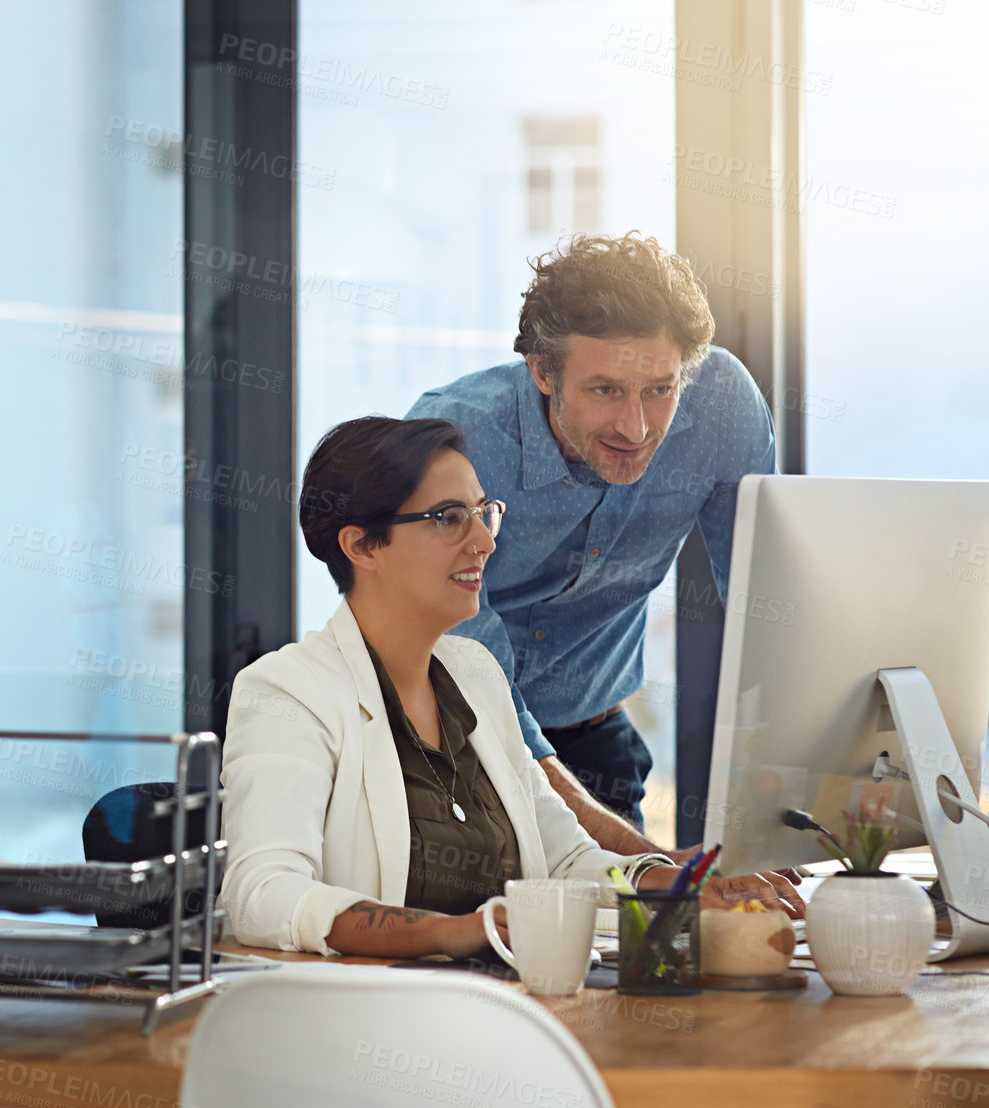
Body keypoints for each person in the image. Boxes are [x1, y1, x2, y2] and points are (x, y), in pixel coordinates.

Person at [218, 416, 800, 959]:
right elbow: (261, 895)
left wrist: (673, 883)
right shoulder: (286, 693)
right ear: (362, 545)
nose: (485, 542)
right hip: (379, 1030)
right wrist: (459, 932)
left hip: (512, 1011)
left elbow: (567, 859)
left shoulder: (475, 675)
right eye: (449, 518)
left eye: (483, 512)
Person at [409, 232, 773, 858]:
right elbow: (469, 673)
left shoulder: (720, 406)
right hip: (449, 746)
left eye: (659, 389)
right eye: (605, 390)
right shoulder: (457, 439)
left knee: (626, 948)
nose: (636, 428)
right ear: (543, 372)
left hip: (597, 741)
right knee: (466, 946)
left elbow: (766, 597)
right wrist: (642, 861)